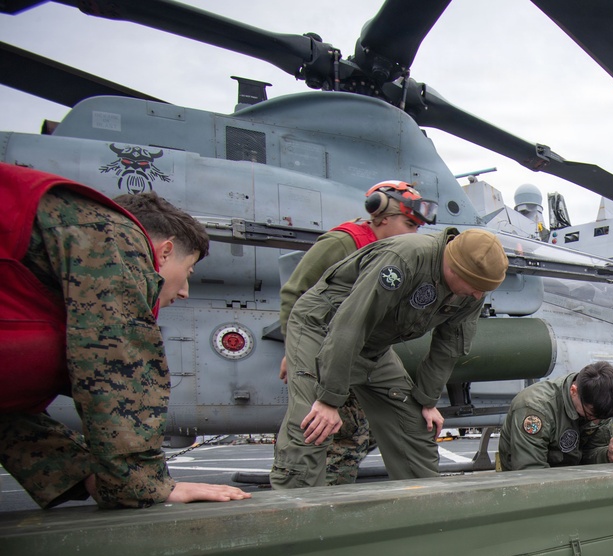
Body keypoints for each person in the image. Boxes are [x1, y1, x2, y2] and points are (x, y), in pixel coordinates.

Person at [0, 163, 251, 508]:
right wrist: (142, 483)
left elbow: (8, 412)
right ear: (163, 252)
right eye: (188, 270)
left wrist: (83, 472)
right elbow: (117, 360)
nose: (184, 292)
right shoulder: (113, 233)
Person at [271, 227, 508, 487]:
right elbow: (351, 324)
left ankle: (424, 508)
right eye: (475, 287)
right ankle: (295, 515)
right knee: (311, 426)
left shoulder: (472, 292)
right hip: (322, 329)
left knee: (416, 426)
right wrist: (328, 400)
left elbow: (450, 344)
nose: (477, 296)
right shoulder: (405, 258)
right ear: (453, 268)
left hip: (374, 344)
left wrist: (427, 400)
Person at [277, 180, 432, 484]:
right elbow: (296, 292)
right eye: (409, 224)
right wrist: (292, 349)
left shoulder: (397, 253)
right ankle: (306, 492)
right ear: (382, 216)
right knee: (319, 424)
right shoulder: (342, 243)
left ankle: (336, 488)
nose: (414, 234)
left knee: (364, 427)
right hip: (323, 343)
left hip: (360, 348)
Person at [497, 361, 613, 471]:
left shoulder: (596, 404)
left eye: (603, 417)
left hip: (572, 463)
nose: (598, 422)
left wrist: (608, 454)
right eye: (592, 415)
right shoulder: (535, 409)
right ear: (574, 391)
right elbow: (530, 472)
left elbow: (590, 453)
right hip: (542, 472)